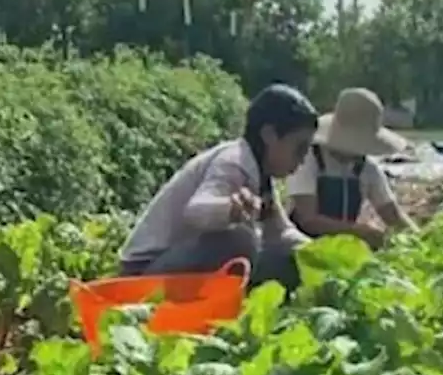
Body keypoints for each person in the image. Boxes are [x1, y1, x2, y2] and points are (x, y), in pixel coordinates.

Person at [117, 84, 319, 293]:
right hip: (143, 274)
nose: (303, 159)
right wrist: (230, 209)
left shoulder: (261, 175)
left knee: (289, 259)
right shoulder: (233, 162)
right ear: (269, 135)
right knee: (239, 240)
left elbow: (282, 232)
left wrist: (324, 253)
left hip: (172, 268)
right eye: (300, 148)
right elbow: (196, 211)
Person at [287, 88, 416, 249]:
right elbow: (308, 219)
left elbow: (392, 214)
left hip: (344, 249)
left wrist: (418, 241)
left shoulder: (367, 168)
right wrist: (361, 232)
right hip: (303, 246)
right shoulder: (308, 160)